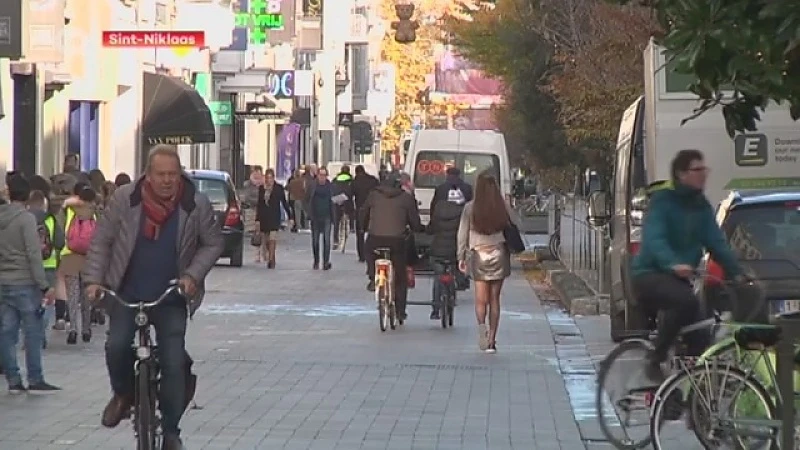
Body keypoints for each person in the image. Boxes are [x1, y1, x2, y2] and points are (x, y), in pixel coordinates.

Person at [84, 144, 224, 450]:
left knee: (174, 361)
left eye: (173, 174)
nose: (167, 181)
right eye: (161, 174)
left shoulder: (194, 203)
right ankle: (123, 395)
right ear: (148, 174)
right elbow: (102, 242)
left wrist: (192, 277)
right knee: (116, 345)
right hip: (126, 293)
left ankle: (171, 430)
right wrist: (94, 282)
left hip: (170, 296)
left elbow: (213, 243)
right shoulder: (125, 199)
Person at [632, 149, 745, 379]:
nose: (703, 174)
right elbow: (655, 240)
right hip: (650, 275)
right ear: (681, 174)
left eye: (705, 169)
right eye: (697, 170)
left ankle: (691, 398)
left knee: (702, 333)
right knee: (685, 301)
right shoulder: (663, 202)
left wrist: (739, 274)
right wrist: (673, 263)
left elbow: (717, 243)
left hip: (679, 279)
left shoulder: (701, 207)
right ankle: (655, 357)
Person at [0, 174, 59, 392]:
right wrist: (43, 284)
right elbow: (33, 254)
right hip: (25, 282)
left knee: (7, 332)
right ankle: (35, 377)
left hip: (4, 281)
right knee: (32, 332)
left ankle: (13, 379)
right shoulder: (26, 219)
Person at [457, 170, 520, 353]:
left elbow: (462, 234)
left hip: (479, 255)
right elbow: (515, 223)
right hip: (499, 253)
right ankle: (492, 339)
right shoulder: (502, 207)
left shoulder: (470, 208)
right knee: (494, 299)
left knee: (480, 299)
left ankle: (481, 329)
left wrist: (460, 256)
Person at [362, 173, 423, 322]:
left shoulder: (373, 195)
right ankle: (400, 311)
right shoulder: (406, 198)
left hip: (376, 239)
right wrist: (417, 228)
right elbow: (415, 222)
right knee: (400, 276)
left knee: (369, 249)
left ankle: (372, 275)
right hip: (397, 241)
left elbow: (364, 213)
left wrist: (363, 227)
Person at [60, 182, 98, 344]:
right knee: (86, 296)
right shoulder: (95, 213)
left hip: (71, 257)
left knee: (73, 296)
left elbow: (60, 230)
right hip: (89, 259)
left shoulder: (69, 211)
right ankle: (87, 329)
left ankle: (73, 329)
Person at [27, 190, 65, 348]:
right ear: (44, 204)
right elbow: (59, 242)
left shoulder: (25, 219)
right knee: (47, 301)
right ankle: (41, 334)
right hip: (48, 265)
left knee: (29, 301)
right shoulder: (51, 219)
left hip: (28, 265)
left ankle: (30, 335)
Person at [427, 183, 466, 320]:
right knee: (454, 270)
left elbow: (430, 229)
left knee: (438, 277)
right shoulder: (463, 213)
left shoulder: (438, 210)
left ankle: (435, 309)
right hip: (454, 251)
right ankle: (453, 293)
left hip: (437, 250)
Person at [255, 168, 293, 268]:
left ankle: (271, 260)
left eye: (271, 178)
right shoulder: (261, 189)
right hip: (264, 218)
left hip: (274, 217)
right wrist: (257, 220)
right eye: (267, 178)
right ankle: (272, 256)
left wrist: (290, 216)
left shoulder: (278, 188)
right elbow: (259, 205)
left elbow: (284, 203)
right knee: (266, 241)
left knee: (272, 238)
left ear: (273, 178)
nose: (269, 180)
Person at [304, 167, 334, 270]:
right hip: (315, 217)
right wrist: (308, 211)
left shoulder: (330, 186)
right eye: (321, 175)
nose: (322, 177)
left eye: (324, 175)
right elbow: (306, 198)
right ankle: (316, 261)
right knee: (315, 241)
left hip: (327, 217)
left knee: (327, 240)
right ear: (317, 176)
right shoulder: (313, 186)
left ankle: (326, 262)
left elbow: (333, 200)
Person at [352, 165, 379, 262]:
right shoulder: (373, 180)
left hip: (360, 210)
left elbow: (351, 195)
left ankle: (361, 255)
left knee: (360, 234)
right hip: (372, 209)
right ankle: (372, 253)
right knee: (373, 232)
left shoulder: (355, 182)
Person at [243, 166, 265, 262]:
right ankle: (256, 254)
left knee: (263, 232)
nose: (257, 174)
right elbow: (247, 197)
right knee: (255, 233)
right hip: (252, 209)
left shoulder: (265, 184)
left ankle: (264, 252)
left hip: (263, 210)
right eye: (256, 172)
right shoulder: (248, 184)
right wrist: (258, 201)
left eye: (259, 172)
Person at [331, 165, 354, 250]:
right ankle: (352, 226)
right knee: (350, 211)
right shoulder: (351, 179)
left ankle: (335, 240)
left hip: (337, 201)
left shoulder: (335, 179)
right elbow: (352, 191)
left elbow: (332, 189)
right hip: (347, 200)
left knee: (336, 222)